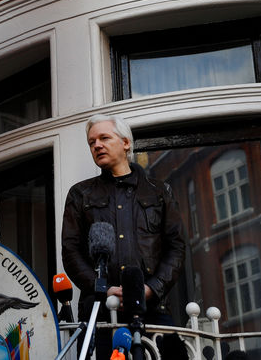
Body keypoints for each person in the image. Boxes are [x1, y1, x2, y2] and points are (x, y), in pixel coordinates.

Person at [61, 114, 186, 358]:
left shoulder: (159, 191)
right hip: (100, 312)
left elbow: (177, 248)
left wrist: (151, 288)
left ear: (126, 142)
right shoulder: (80, 194)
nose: (97, 145)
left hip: (153, 308)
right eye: (91, 142)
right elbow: (71, 251)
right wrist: (104, 289)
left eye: (104, 138)